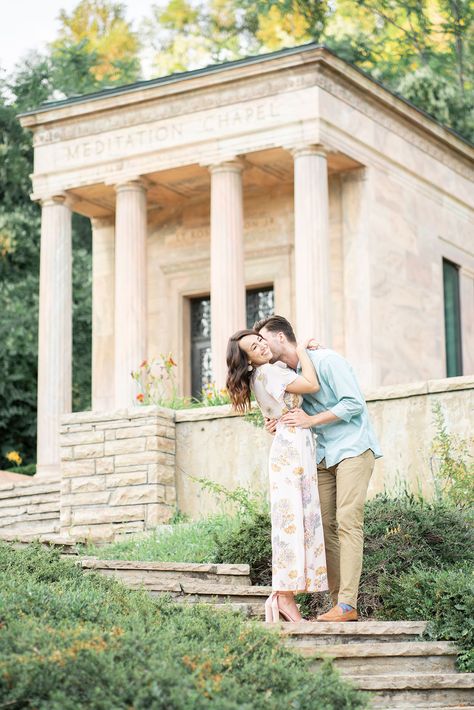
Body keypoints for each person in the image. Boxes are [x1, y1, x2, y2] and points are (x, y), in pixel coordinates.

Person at [254, 315, 382, 622]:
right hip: (323, 456)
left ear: (281, 338)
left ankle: (348, 605)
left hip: (353, 448)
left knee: (349, 521)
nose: (260, 345)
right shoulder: (290, 372)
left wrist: (311, 421)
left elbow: (353, 403)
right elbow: (291, 406)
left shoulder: (326, 360)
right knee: (325, 528)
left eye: (263, 339)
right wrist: (276, 421)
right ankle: (339, 603)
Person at [226, 329, 328, 623]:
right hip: (292, 449)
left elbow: (273, 412)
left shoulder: (265, 374)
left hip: (288, 444)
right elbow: (311, 384)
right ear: (247, 361)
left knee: (292, 523)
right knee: (293, 524)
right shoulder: (268, 372)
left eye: (259, 340)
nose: (261, 346)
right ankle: (283, 596)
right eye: (253, 347)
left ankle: (284, 597)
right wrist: (306, 352)